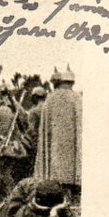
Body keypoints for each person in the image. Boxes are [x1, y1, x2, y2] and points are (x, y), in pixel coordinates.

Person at [34, 68, 82, 200]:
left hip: (54, 150)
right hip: (72, 149)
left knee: (56, 173)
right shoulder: (77, 98)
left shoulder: (51, 99)